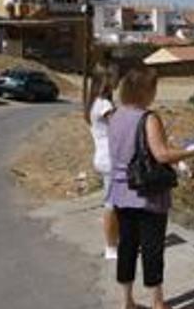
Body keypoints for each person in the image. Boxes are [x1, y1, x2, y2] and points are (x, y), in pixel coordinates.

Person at [107, 67, 194, 309]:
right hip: (147, 194)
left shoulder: (115, 115)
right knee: (152, 249)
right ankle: (157, 303)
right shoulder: (148, 118)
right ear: (144, 90)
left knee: (127, 246)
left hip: (120, 190)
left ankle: (127, 301)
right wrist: (191, 151)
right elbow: (161, 155)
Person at [86, 69, 119, 260]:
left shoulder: (93, 104)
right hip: (110, 158)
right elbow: (118, 127)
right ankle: (110, 247)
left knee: (114, 203)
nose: (114, 85)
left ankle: (116, 240)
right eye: (111, 81)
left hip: (102, 156)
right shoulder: (105, 104)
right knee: (111, 205)